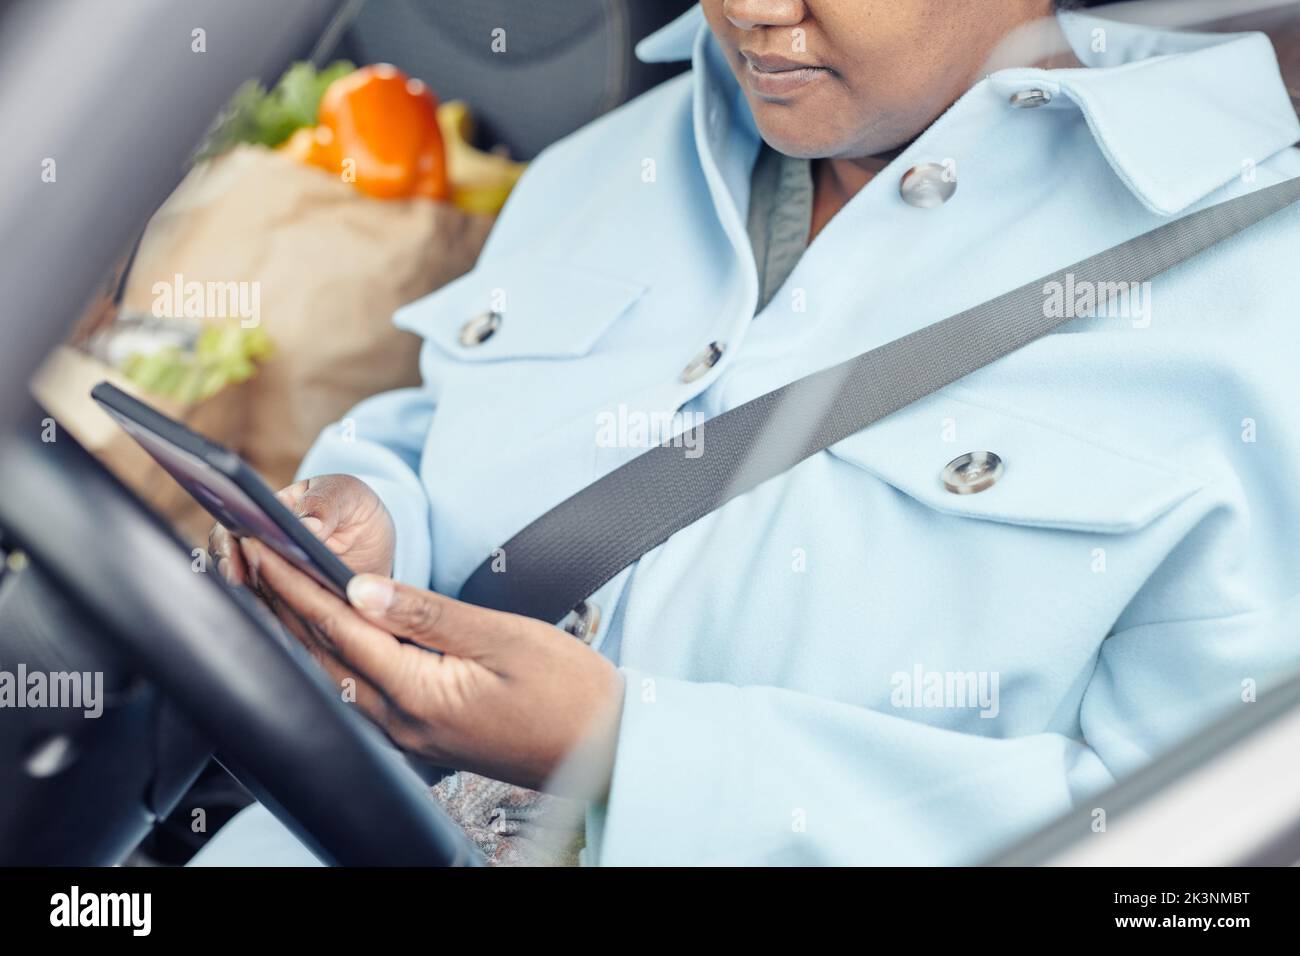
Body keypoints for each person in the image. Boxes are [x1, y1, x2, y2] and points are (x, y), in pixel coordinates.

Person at [201, 0, 1300, 865]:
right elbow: (452, 423)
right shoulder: (606, 162)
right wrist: (375, 505)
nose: (749, 11)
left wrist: (633, 755)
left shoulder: (1260, 294)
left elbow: (1190, 856)